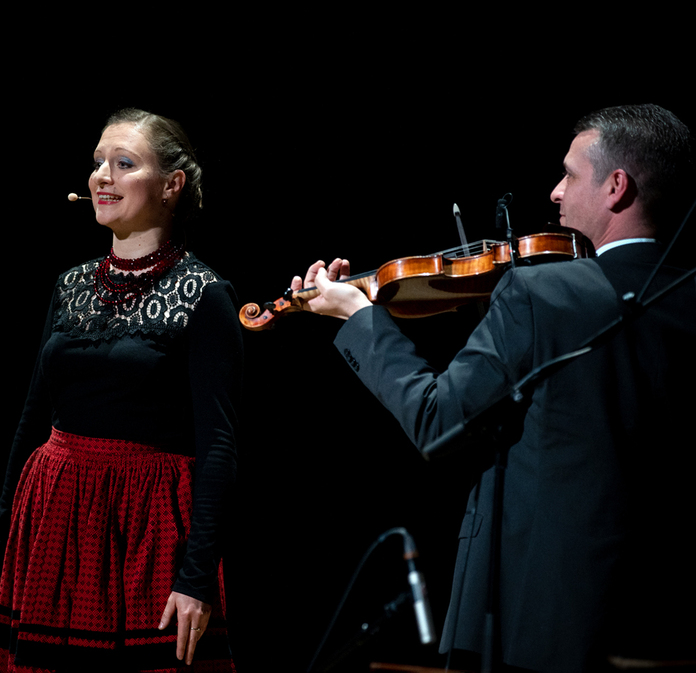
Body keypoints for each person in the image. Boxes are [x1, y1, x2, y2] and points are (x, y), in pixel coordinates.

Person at [293, 104, 695, 671]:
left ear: (616, 187)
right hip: (666, 620)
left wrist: (358, 316)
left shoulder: (540, 293)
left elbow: (438, 422)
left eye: (570, 175)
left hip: (531, 616)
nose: (555, 193)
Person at [0, 109, 241, 672]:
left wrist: (196, 577)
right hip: (53, 515)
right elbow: (31, 418)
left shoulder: (204, 293)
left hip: (145, 527)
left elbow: (218, 444)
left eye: (124, 163)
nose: (102, 176)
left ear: (172, 185)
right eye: (97, 163)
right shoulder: (71, 285)